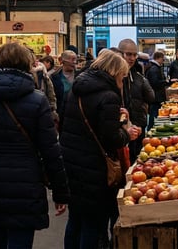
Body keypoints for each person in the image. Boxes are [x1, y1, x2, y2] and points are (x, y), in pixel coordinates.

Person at [0, 43, 69, 248]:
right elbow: (51, 150)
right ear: (27, 64)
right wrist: (60, 192)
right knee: (21, 241)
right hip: (26, 182)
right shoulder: (37, 100)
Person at [61, 49, 140, 249]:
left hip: (72, 161)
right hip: (95, 167)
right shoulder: (108, 95)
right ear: (114, 72)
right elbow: (111, 138)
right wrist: (127, 134)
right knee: (93, 224)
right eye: (122, 75)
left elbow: (69, 123)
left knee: (76, 220)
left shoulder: (76, 89)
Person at [117, 39, 153, 159]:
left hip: (137, 124)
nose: (132, 58)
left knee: (136, 157)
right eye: (128, 54)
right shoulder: (114, 76)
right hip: (120, 127)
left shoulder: (138, 76)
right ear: (120, 54)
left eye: (134, 54)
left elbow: (151, 97)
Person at [143, 51, 168, 123]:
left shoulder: (152, 67)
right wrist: (166, 82)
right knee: (154, 115)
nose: (163, 61)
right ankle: (151, 128)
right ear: (158, 58)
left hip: (155, 96)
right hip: (156, 97)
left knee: (154, 114)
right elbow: (155, 83)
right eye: (163, 59)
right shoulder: (154, 68)